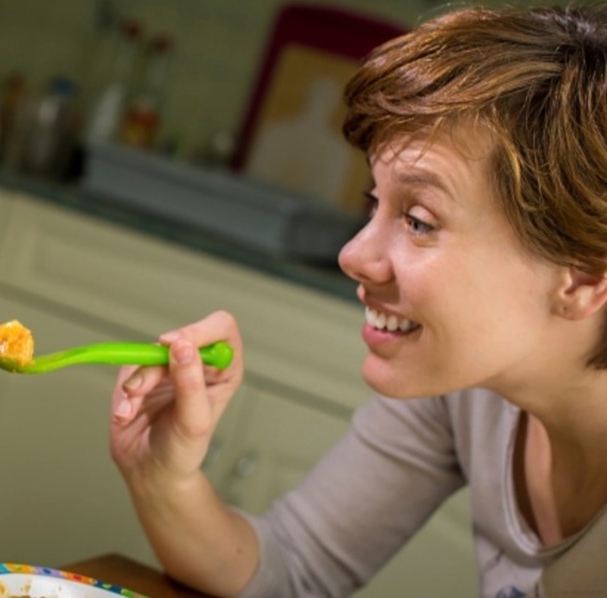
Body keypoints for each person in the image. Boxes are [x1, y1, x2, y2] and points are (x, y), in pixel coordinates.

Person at [109, 5, 607, 597]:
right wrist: (163, 479)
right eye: (376, 203)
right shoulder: (468, 387)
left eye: (419, 220)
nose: (353, 255)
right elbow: (293, 569)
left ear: (582, 277)